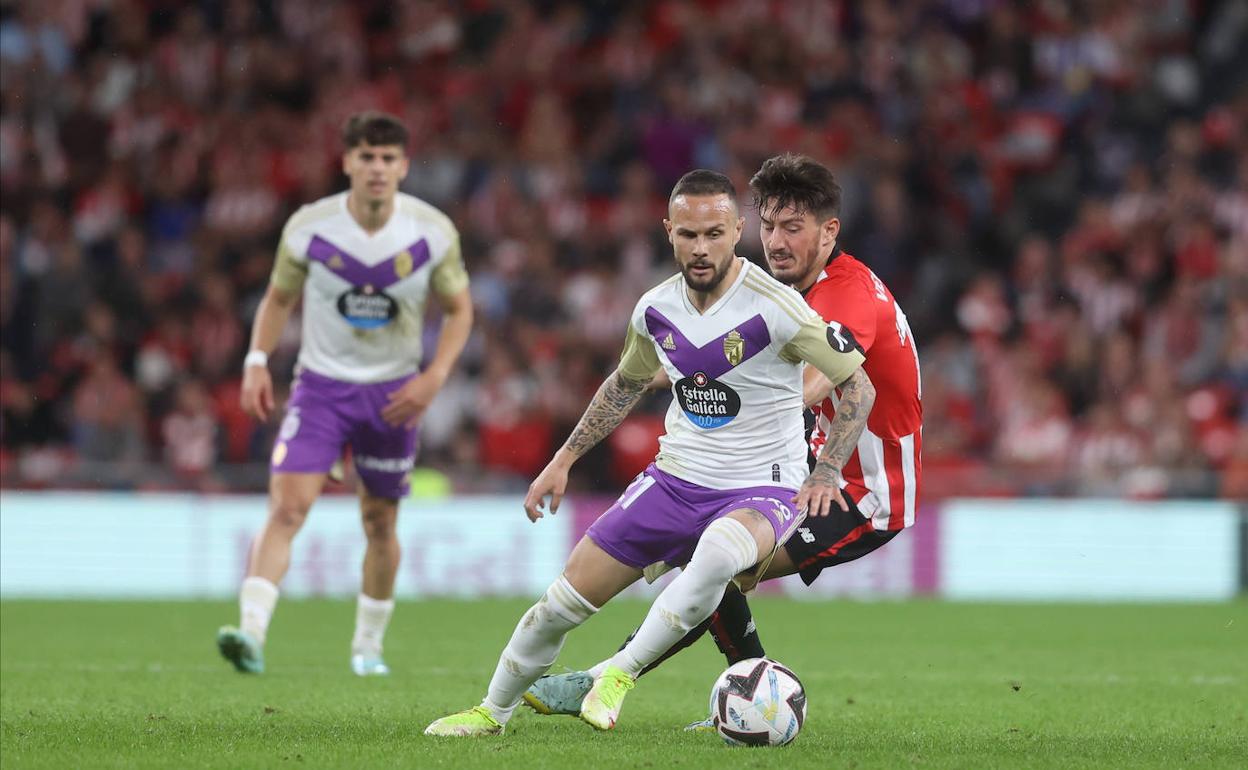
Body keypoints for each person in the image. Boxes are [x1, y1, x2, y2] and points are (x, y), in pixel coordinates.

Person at [423, 169, 876, 737]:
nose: (702, 247)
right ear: (669, 232)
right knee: (560, 604)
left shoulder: (778, 306)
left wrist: (826, 469)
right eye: (689, 234)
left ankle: (617, 674)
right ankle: (492, 711)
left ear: (738, 230)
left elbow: (858, 385)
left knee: (717, 556)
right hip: (674, 480)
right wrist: (563, 459)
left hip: (760, 486)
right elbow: (624, 385)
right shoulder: (655, 309)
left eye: (715, 233)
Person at [524, 153, 922, 726]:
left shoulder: (847, 294)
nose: (777, 242)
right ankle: (751, 695)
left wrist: (712, 399)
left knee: (714, 568)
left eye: (794, 228)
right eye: (769, 226)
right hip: (809, 467)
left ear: (829, 231)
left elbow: (811, 387)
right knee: (710, 563)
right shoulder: (781, 295)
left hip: (864, 489)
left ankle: (604, 679)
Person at [215, 112, 473, 677]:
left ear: (403, 166)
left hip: (394, 395)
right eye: (366, 157)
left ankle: (368, 648)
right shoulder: (310, 226)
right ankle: (251, 633)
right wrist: (257, 361)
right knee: (288, 507)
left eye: (387, 158)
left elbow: (460, 310)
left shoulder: (432, 231)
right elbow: (278, 298)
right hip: (321, 389)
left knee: (380, 522)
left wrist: (434, 377)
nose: (377, 168)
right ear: (347, 162)